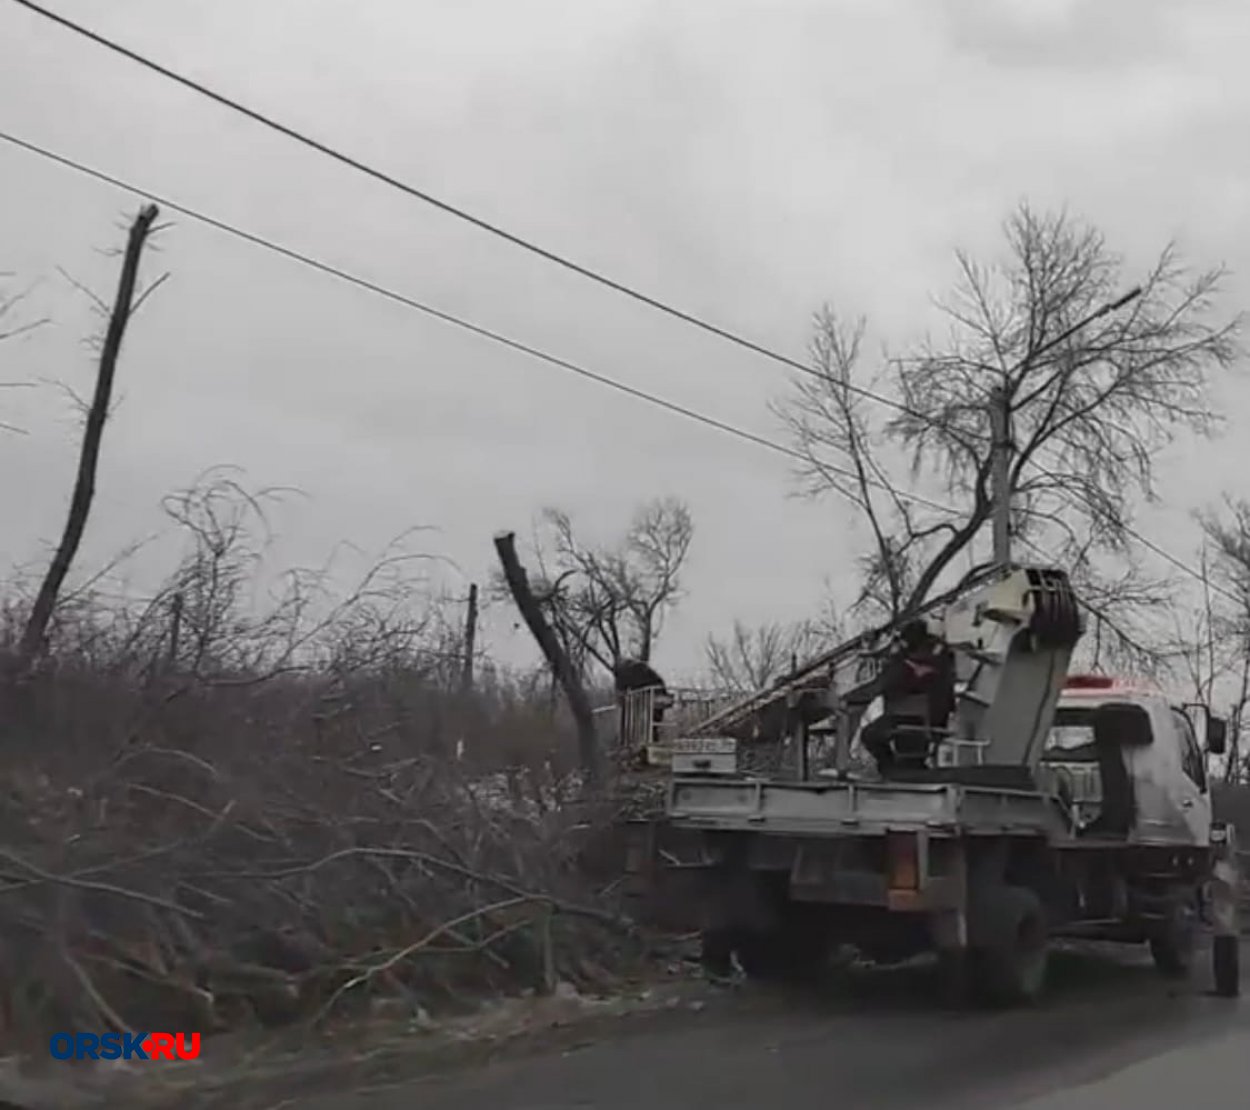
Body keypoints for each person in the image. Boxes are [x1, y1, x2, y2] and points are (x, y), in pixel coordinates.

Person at [860, 619, 955, 775]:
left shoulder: (936, 651)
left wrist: (903, 666)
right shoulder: (906, 655)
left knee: (906, 757)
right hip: (902, 714)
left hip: (926, 715)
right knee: (872, 736)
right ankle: (890, 768)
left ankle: (894, 770)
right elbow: (893, 678)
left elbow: (910, 677)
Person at [613, 658, 673, 765]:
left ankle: (646, 744)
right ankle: (649, 742)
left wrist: (623, 699)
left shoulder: (625, 673)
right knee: (652, 722)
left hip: (653, 693)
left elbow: (621, 692)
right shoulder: (635, 669)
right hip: (656, 691)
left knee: (649, 722)